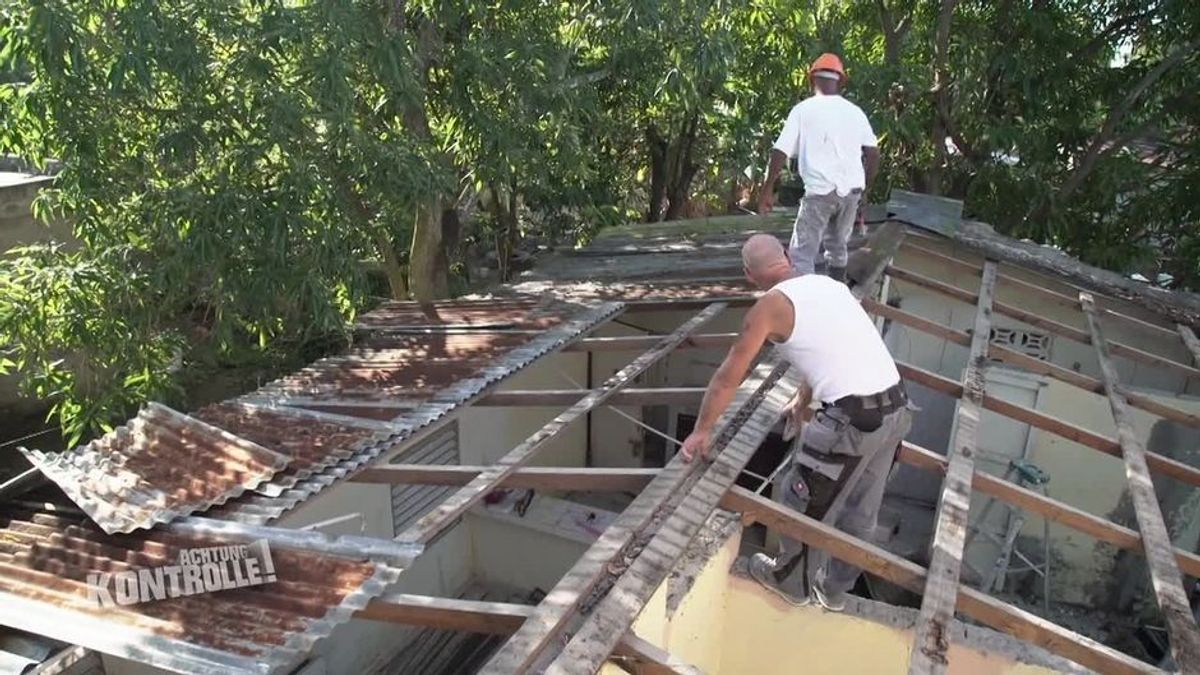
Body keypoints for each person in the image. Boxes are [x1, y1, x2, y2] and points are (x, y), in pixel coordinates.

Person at [680, 234, 912, 611]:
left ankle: (790, 582)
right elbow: (830, 347)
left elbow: (728, 377)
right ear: (786, 257)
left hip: (853, 420)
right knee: (860, 514)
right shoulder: (827, 285)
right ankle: (835, 590)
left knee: (803, 499)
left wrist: (702, 431)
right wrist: (802, 401)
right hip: (895, 407)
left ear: (748, 274)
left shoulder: (769, 308)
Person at [757, 53, 881, 282]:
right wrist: (866, 190)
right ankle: (837, 291)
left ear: (812, 79)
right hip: (851, 193)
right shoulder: (856, 113)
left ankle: (805, 302)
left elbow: (780, 151)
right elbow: (873, 154)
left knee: (802, 254)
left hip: (820, 193)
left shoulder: (803, 110)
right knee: (837, 247)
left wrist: (767, 190)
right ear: (840, 81)